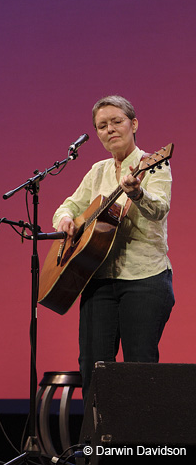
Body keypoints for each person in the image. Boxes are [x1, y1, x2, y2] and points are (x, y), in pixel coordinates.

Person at [52, 95, 174, 397]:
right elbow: (68, 205)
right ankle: (95, 441)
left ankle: (137, 441)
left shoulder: (155, 165)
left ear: (133, 124)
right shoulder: (98, 171)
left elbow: (159, 208)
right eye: (102, 126)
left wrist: (137, 193)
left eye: (116, 121)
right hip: (99, 280)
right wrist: (66, 218)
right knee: (93, 367)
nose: (110, 129)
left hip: (145, 279)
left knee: (139, 366)